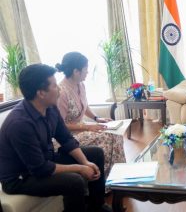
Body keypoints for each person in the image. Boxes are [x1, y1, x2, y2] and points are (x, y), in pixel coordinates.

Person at [0, 64, 111, 212]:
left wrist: (85, 162)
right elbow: (40, 169)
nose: (59, 89)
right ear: (41, 93)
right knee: (75, 181)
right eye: (54, 86)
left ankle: (97, 206)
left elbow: (66, 139)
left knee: (95, 153)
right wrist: (80, 168)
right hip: (20, 177)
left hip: (44, 160)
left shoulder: (50, 108)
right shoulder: (20, 124)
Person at [56, 52, 125, 176]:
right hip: (67, 136)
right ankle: (101, 177)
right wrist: (87, 127)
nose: (87, 72)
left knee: (116, 134)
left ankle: (117, 175)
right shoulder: (61, 93)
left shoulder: (80, 85)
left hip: (81, 126)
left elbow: (85, 106)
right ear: (76, 71)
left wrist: (97, 118)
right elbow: (59, 126)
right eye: (85, 69)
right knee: (106, 137)